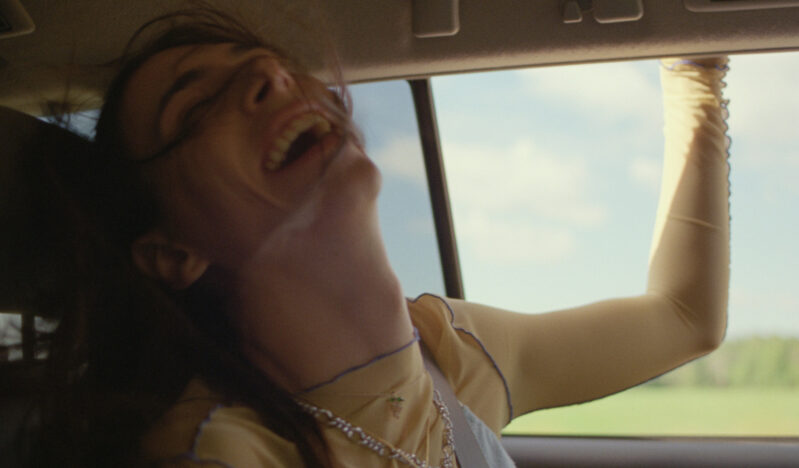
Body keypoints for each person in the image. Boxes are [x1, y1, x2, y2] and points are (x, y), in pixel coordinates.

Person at [24, 6, 731, 468]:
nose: (270, 74)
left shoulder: (450, 357)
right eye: (197, 104)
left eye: (264, 61)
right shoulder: (217, 454)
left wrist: (695, 67)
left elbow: (684, 318)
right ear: (172, 254)